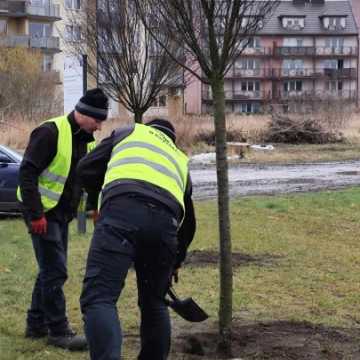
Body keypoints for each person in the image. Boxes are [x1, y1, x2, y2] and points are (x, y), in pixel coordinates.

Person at [77, 118, 196, 360]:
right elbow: (189, 223)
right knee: (154, 303)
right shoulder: (180, 160)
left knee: (100, 297)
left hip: (122, 212)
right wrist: (176, 260)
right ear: (172, 139)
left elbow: (85, 169)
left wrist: (100, 196)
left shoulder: (130, 131)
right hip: (164, 227)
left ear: (149, 128)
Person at [18, 88, 109, 350]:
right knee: (56, 271)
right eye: (98, 120)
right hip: (41, 213)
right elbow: (27, 173)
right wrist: (36, 214)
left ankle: (35, 324)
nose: (100, 126)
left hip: (61, 214)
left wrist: (92, 207)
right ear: (84, 114)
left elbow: (90, 179)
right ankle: (58, 331)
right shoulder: (50, 132)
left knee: (50, 270)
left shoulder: (87, 138)